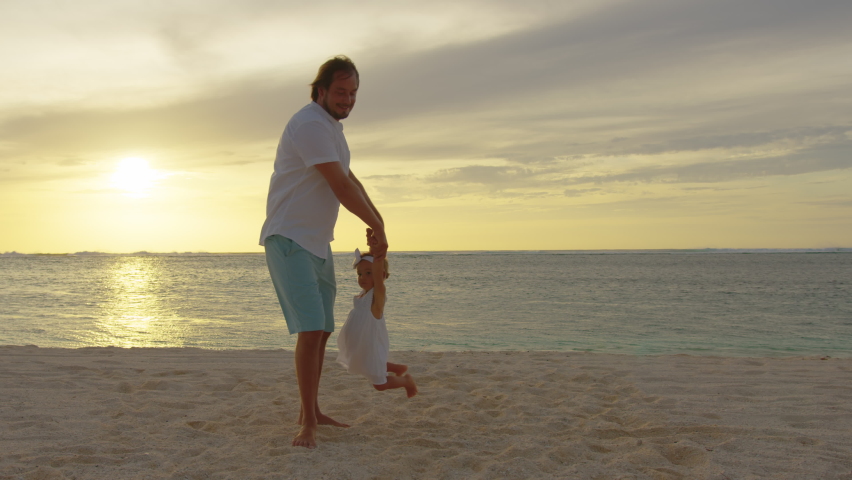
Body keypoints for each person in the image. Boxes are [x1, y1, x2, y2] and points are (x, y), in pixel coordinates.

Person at [259, 56, 388, 449]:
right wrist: (378, 229)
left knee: (324, 329)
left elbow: (350, 177)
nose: (347, 100)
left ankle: (310, 412)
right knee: (311, 330)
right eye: (340, 92)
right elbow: (340, 188)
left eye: (352, 94)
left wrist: (379, 221)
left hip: (317, 242)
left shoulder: (331, 128)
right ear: (320, 90)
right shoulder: (311, 124)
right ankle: (307, 424)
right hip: (289, 239)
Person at [336, 248, 418, 398]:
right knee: (364, 364)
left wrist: (377, 249)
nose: (362, 277)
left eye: (369, 273)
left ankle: (406, 381)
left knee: (380, 385)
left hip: (370, 343)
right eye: (359, 274)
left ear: (382, 275)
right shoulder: (363, 295)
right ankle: (396, 367)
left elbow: (379, 283)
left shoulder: (376, 299)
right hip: (361, 345)